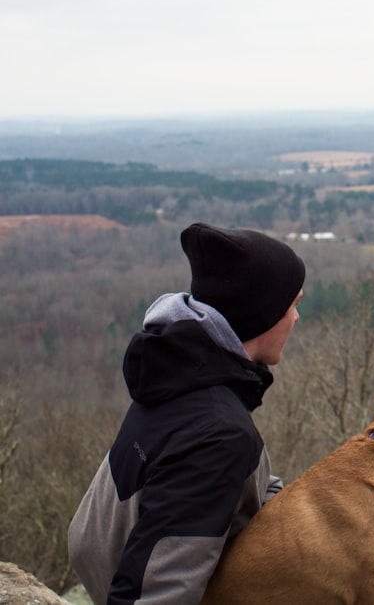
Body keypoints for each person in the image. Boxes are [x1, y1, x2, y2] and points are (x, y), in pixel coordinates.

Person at [67, 222, 306, 605]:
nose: (297, 318)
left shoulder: (178, 367)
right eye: (293, 304)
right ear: (264, 315)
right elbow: (158, 595)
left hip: (105, 563)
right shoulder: (218, 433)